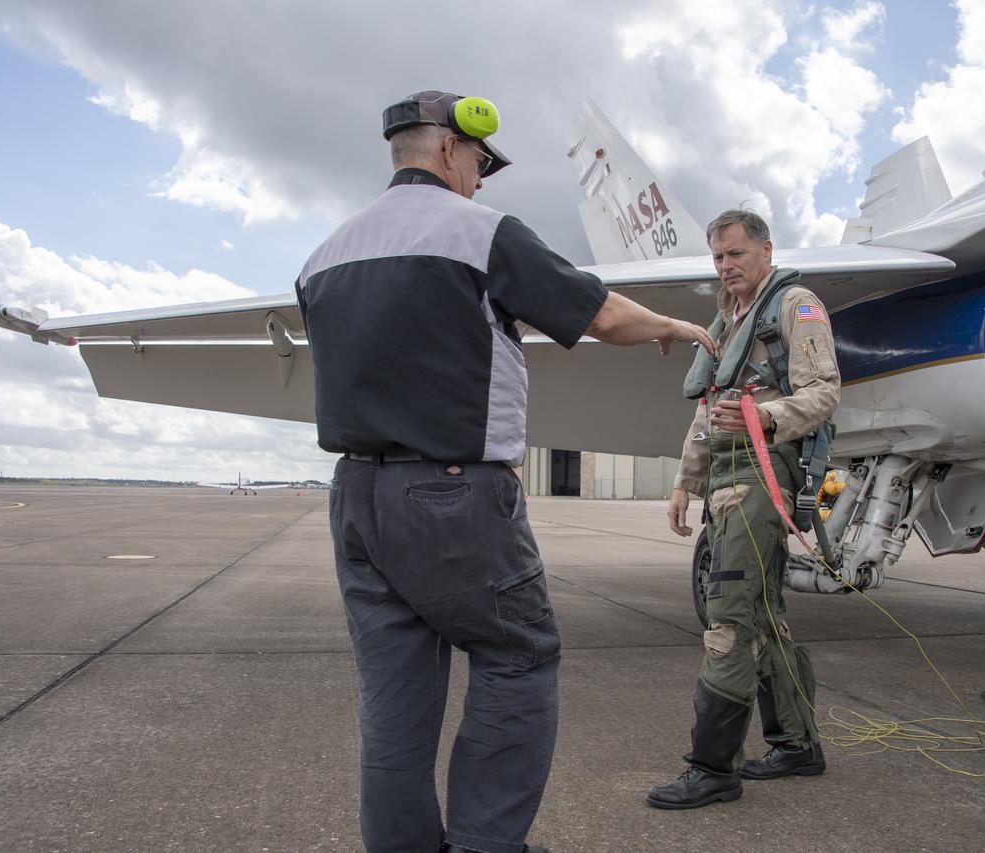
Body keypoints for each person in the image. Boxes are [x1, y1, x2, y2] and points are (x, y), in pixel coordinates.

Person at [294, 90, 714, 853]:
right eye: (481, 163)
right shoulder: (479, 232)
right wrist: (674, 323)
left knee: (393, 697)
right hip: (454, 496)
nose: (482, 180)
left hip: (356, 498)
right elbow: (603, 315)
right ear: (451, 150)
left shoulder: (325, 254)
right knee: (517, 656)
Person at [649, 209, 840, 809]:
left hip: (763, 473)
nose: (726, 267)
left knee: (728, 618)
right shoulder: (728, 321)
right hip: (727, 477)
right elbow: (708, 411)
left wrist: (765, 416)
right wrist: (686, 481)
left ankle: (712, 768)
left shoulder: (794, 305)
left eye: (735, 254)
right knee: (762, 615)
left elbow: (824, 391)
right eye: (717, 258)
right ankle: (796, 744)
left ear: (764, 250)